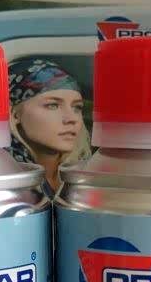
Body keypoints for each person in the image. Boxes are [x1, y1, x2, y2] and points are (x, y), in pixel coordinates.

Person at [8, 58, 91, 197]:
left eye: (77, 107)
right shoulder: (5, 180)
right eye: (53, 105)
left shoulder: (85, 176)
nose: (72, 118)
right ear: (15, 114)